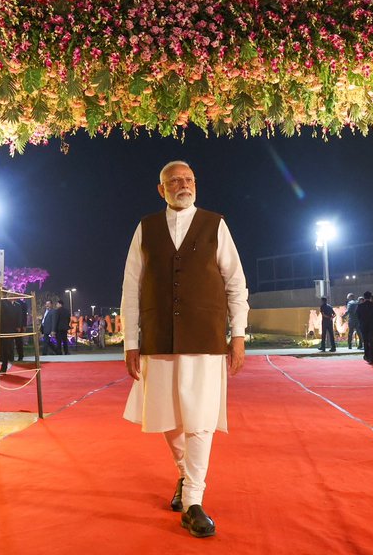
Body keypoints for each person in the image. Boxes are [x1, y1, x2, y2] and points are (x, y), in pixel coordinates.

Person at [121, 160, 249, 539]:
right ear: (161, 189)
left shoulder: (215, 225)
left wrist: (238, 336)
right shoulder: (146, 228)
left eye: (189, 179)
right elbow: (131, 286)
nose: (183, 184)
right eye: (174, 180)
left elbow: (236, 283)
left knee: (200, 417)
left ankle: (193, 499)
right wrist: (131, 342)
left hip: (205, 339)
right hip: (159, 337)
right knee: (167, 415)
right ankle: (183, 475)